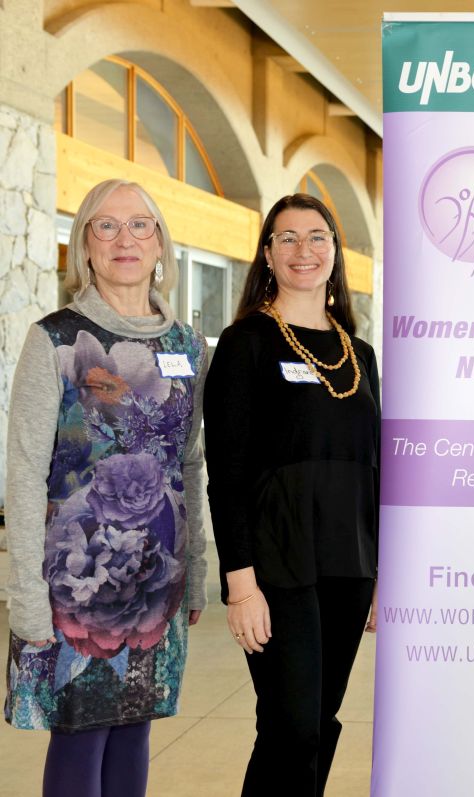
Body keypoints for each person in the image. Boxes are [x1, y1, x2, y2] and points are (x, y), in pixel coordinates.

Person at [4, 179, 207, 797]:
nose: (126, 239)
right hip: (76, 583)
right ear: (85, 245)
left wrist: (196, 570)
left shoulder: (188, 346)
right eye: (107, 226)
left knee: (135, 731)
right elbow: (22, 472)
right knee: (81, 734)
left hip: (155, 582)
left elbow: (189, 464)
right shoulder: (56, 339)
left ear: (161, 246)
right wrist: (26, 599)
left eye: (140, 225)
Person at [204, 193, 380, 796]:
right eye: (287, 238)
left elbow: (373, 468)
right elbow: (225, 471)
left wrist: (380, 570)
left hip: (349, 562)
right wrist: (240, 581)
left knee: (317, 723)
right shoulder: (246, 343)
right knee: (293, 724)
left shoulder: (362, 356)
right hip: (277, 565)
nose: (303, 250)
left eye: (317, 237)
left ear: (335, 251)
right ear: (268, 255)